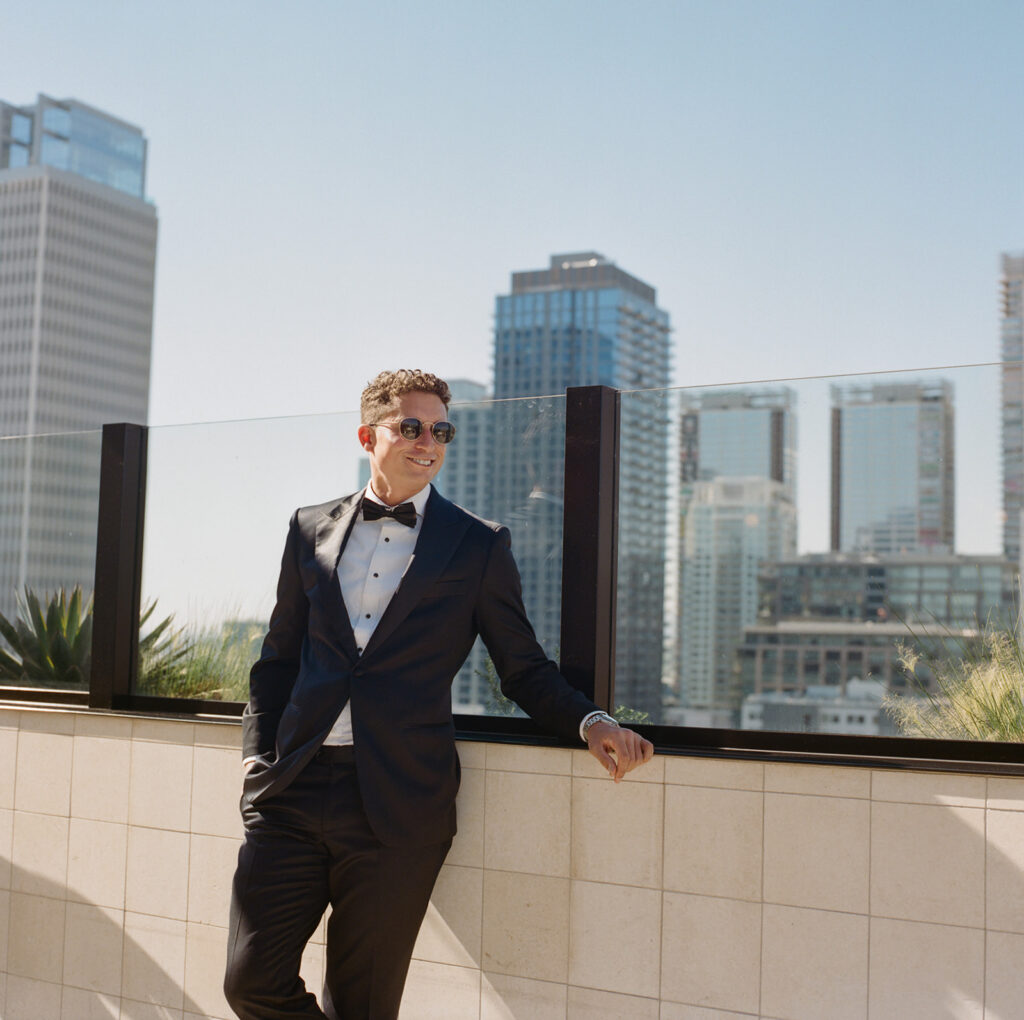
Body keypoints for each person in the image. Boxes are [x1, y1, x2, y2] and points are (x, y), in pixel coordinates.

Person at [224, 368, 654, 1019]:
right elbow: (277, 662)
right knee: (249, 982)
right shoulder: (309, 527)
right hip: (292, 791)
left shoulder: (476, 545)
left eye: (442, 430)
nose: (430, 441)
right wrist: (258, 759)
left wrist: (591, 720)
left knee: (363, 1005)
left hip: (397, 805)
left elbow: (523, 667)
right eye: (413, 427)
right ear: (370, 434)